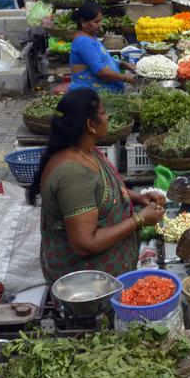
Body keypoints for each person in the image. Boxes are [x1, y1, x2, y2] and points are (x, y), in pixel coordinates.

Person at [29, 89, 166, 282]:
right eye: (103, 113)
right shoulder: (73, 175)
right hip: (88, 287)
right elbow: (85, 244)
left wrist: (138, 197)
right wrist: (139, 220)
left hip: (107, 274)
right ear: (90, 125)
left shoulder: (86, 151)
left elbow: (103, 191)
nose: (107, 117)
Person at [65, 3, 137, 93]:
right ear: (83, 22)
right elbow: (100, 71)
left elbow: (102, 59)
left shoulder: (91, 36)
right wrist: (126, 78)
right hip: (90, 95)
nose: (100, 25)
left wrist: (121, 64)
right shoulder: (83, 41)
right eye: (96, 22)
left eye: (100, 21)